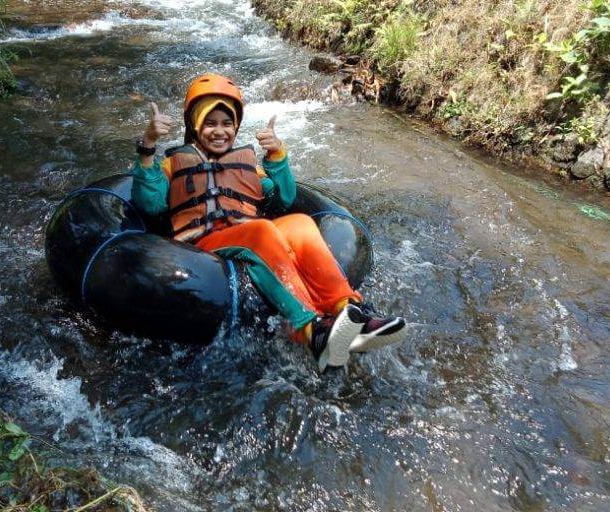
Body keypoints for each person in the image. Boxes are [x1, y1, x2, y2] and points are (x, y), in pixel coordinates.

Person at [131, 73, 406, 371]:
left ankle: (348, 311)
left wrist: (277, 155)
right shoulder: (172, 164)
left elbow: (284, 198)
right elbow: (150, 204)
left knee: (299, 222)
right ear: (195, 125)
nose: (219, 131)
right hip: (203, 245)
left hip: (246, 233)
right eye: (210, 123)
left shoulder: (247, 164)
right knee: (261, 231)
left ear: (236, 126)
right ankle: (309, 329)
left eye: (227, 123)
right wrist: (148, 146)